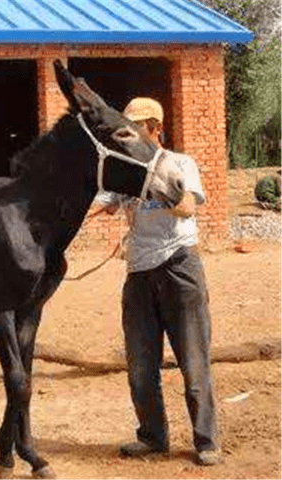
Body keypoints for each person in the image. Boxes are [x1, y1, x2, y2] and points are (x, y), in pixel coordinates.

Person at [97, 98, 221, 466]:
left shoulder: (180, 163)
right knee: (140, 365)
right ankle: (152, 436)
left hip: (180, 268)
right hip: (138, 274)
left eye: (139, 127)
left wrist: (154, 183)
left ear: (156, 127)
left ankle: (206, 440)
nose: (134, 134)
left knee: (193, 361)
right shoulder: (127, 171)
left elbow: (186, 207)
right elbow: (101, 202)